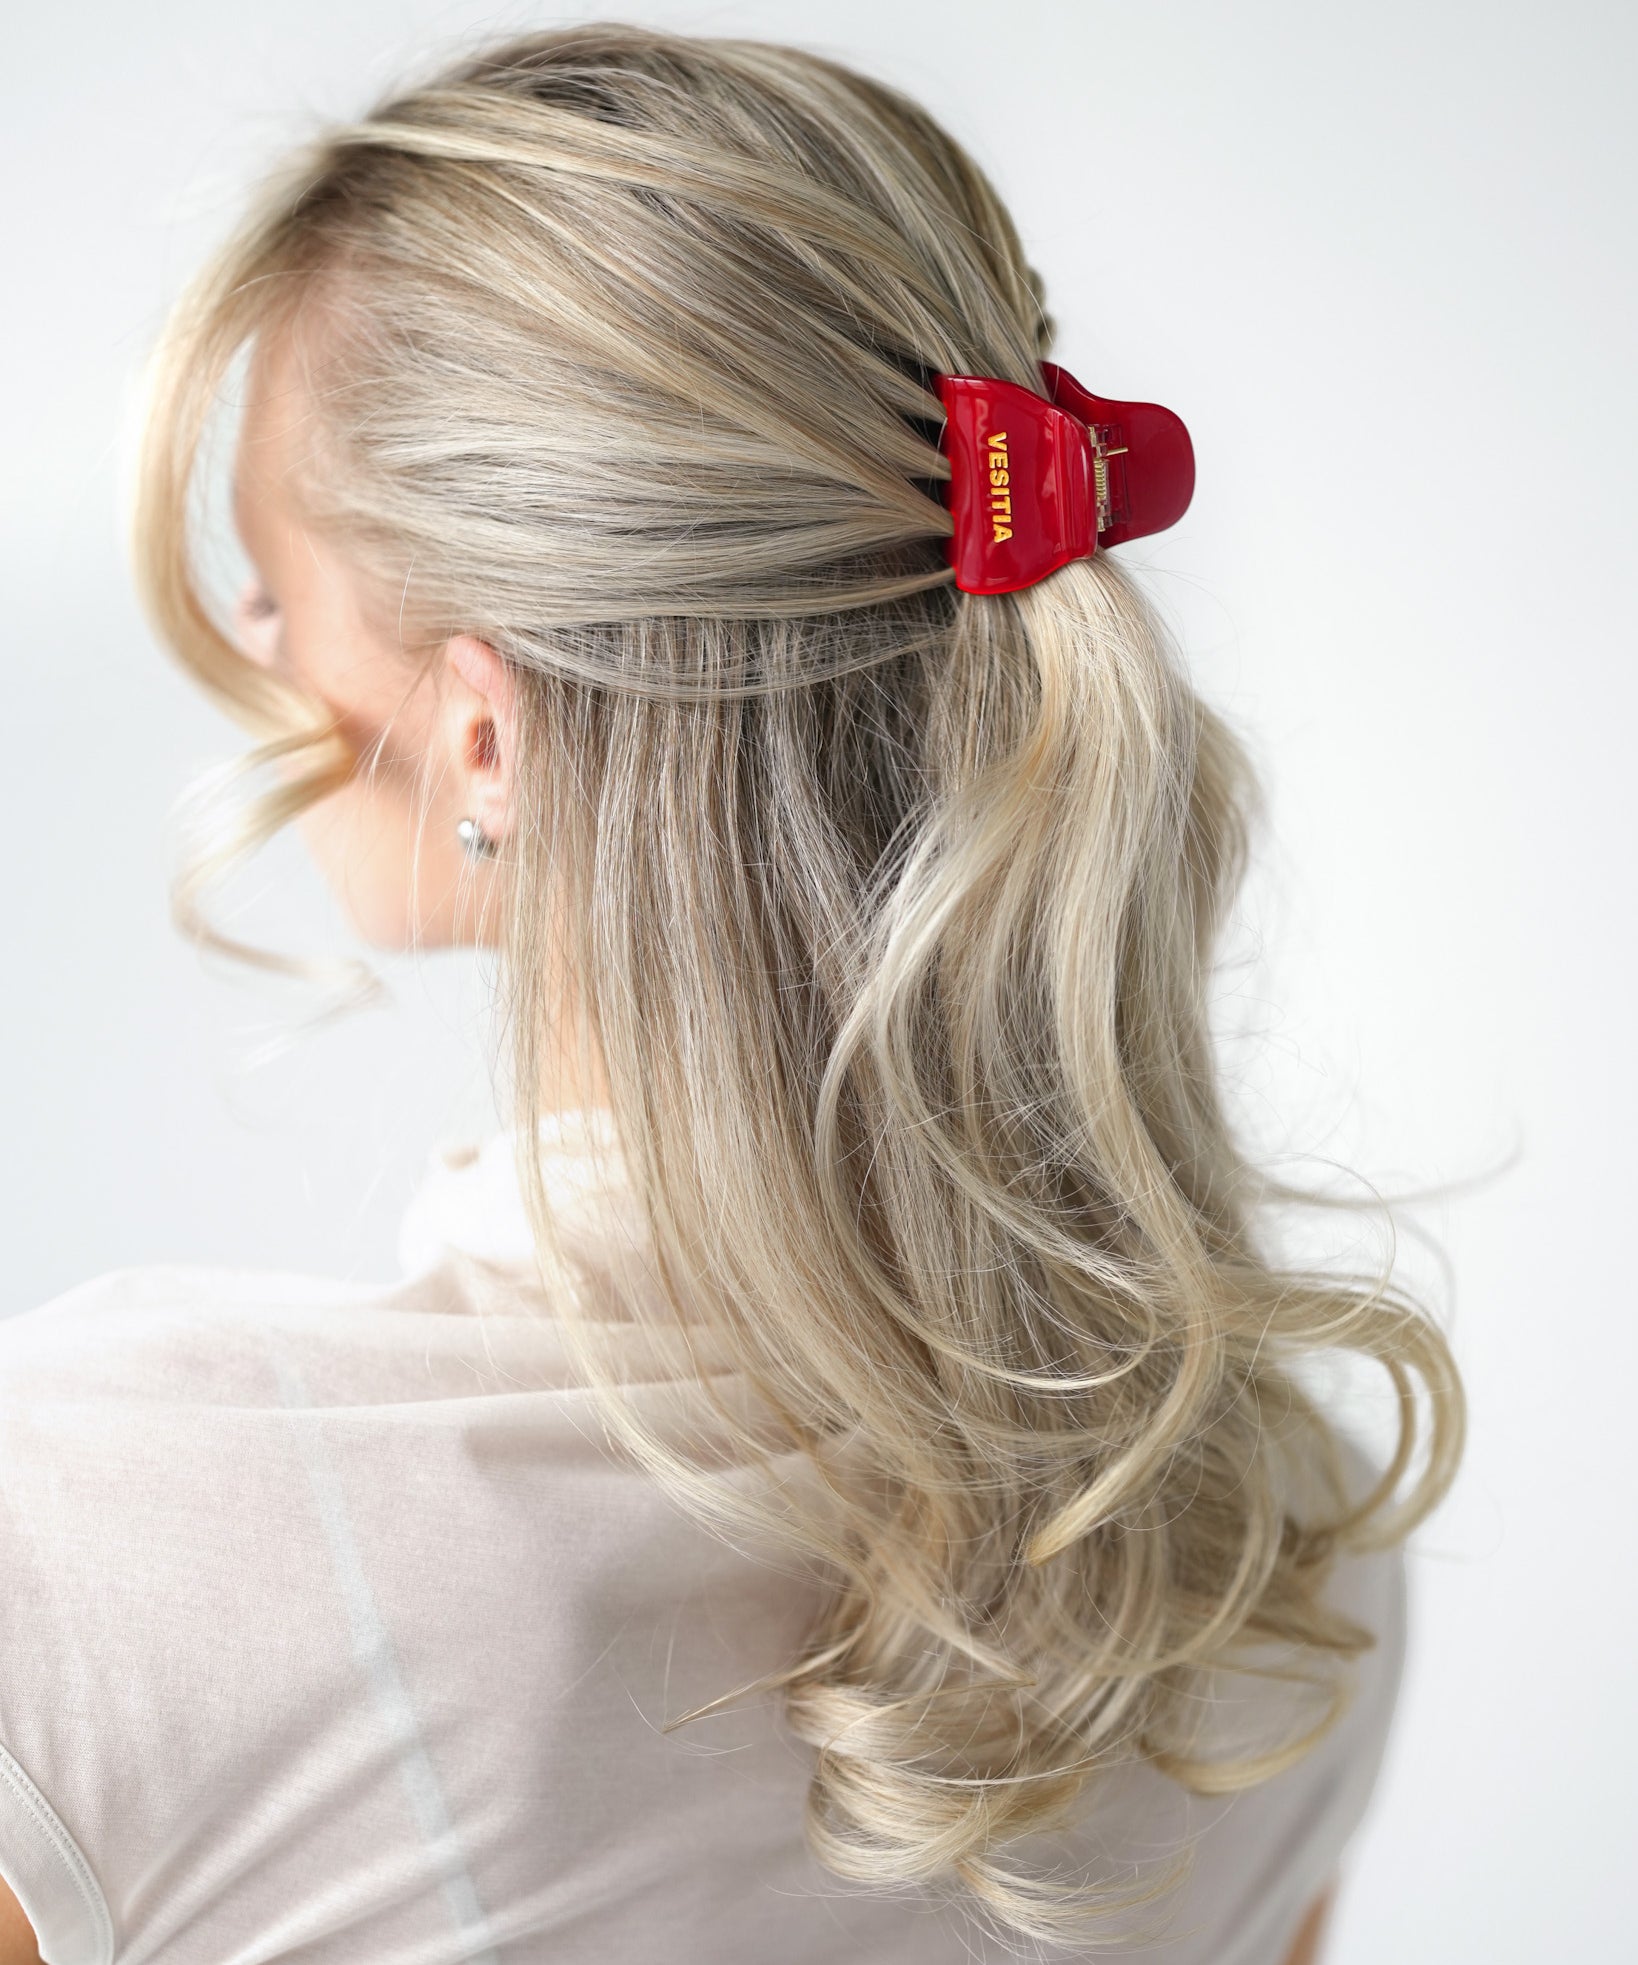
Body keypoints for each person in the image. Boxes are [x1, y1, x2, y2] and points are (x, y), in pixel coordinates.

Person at [0, 22, 1465, 1964]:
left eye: (275, 575)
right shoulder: (1280, 1536)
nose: (257, 640)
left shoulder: (90, 1544)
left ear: (490, 736)